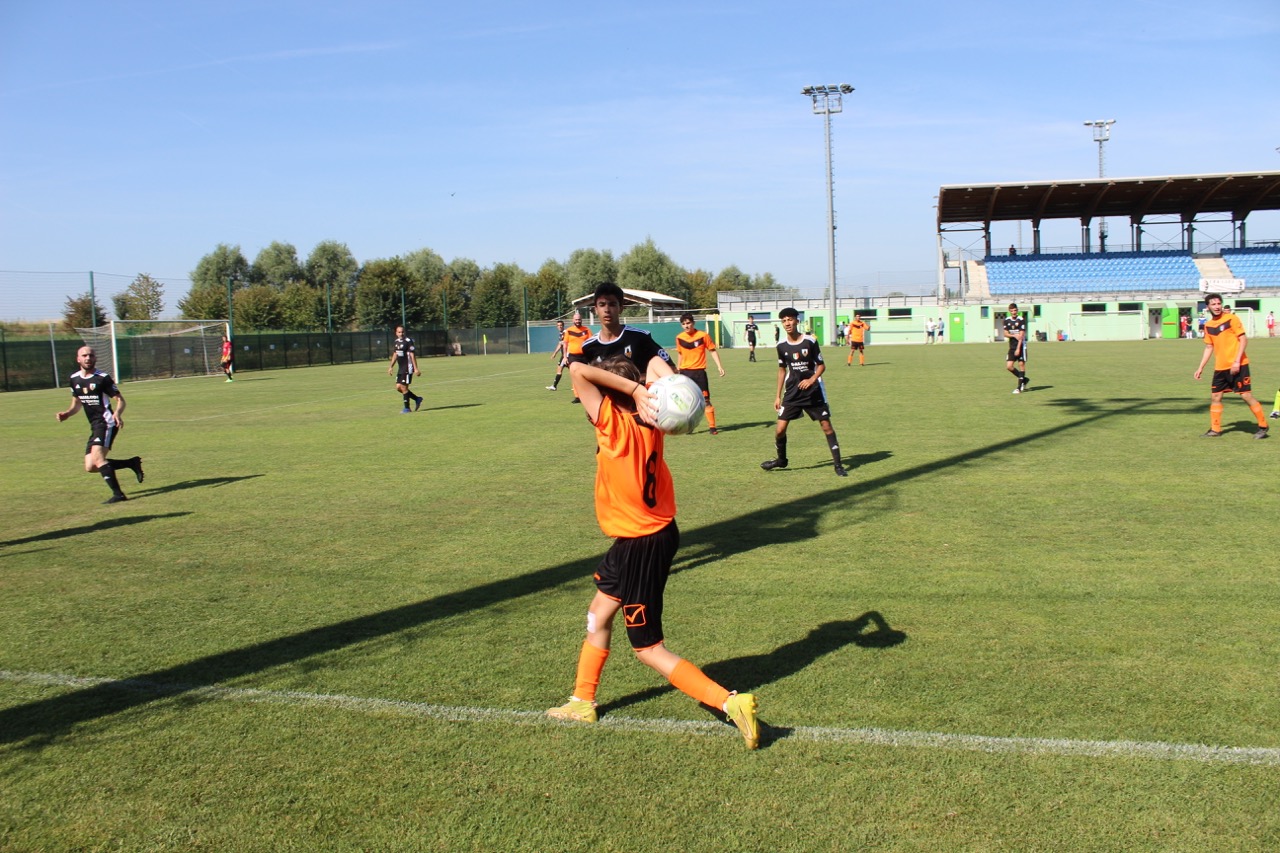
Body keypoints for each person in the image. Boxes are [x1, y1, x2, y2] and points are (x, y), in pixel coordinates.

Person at [545, 355, 760, 749]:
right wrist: (653, 387)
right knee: (598, 614)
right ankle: (582, 701)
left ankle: (729, 702)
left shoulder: (612, 421)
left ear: (609, 393)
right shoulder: (653, 418)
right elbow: (653, 362)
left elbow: (576, 369)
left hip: (641, 544)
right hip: (646, 535)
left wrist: (632, 387)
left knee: (647, 648)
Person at [762, 308, 847, 477]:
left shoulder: (810, 341)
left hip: (812, 392)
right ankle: (781, 460)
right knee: (779, 430)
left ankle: (838, 465)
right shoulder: (781, 346)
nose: (787, 323)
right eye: (784, 320)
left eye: (790, 319)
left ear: (797, 321)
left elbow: (821, 365)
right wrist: (777, 396)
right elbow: (781, 370)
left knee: (826, 426)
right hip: (792, 392)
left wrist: (812, 379)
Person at [55, 346, 144, 504]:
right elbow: (77, 403)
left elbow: (120, 400)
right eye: (84, 355)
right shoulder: (74, 379)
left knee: (98, 458)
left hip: (107, 422)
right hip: (95, 425)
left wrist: (117, 413)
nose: (88, 358)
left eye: (91, 355)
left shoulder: (102, 378)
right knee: (91, 466)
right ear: (78, 359)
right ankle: (131, 463)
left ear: (95, 358)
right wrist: (67, 413)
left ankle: (118, 495)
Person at [1193, 293, 1269, 439]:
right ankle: (1215, 429)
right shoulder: (1208, 325)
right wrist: (1200, 367)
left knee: (1246, 395)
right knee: (1215, 397)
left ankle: (1263, 426)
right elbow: (1209, 347)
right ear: (1208, 307)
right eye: (1213, 304)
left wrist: (1237, 361)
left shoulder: (1231, 319)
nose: (1217, 306)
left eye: (1218, 303)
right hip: (1220, 367)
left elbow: (1243, 340)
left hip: (1238, 365)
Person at [571, 283, 675, 383]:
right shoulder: (588, 346)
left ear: (620, 308)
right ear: (596, 309)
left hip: (640, 395)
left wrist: (632, 381)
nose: (607, 310)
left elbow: (672, 369)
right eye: (602, 305)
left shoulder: (639, 337)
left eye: (612, 304)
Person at [675, 312, 725, 435]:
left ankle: (712, 427)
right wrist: (677, 368)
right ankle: (689, 426)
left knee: (706, 400)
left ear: (693, 323)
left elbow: (712, 351)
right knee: (686, 402)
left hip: (699, 373)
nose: (686, 326)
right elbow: (680, 354)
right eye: (684, 324)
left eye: (688, 323)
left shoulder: (703, 336)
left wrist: (719, 366)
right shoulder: (679, 338)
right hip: (685, 374)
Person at [550, 312, 593, 402]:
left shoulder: (587, 330)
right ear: (573, 320)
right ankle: (577, 397)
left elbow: (591, 342)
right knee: (575, 376)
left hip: (584, 356)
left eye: (579, 319)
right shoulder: (569, 331)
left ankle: (586, 395)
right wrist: (565, 357)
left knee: (585, 376)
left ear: (581, 320)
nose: (577, 321)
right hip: (573, 356)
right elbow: (565, 345)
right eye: (576, 319)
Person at [387, 325, 423, 413]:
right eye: (399, 332)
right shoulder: (396, 342)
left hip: (408, 367)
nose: (401, 333)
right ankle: (417, 399)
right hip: (401, 368)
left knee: (403, 387)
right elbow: (395, 354)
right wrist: (391, 366)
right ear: (396, 333)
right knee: (398, 387)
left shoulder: (408, 341)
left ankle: (407, 408)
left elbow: (412, 355)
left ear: (405, 332)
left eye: (402, 332)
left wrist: (416, 368)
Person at [1004, 303, 1029, 394]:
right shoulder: (1007, 320)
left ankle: (1019, 388)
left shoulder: (1021, 320)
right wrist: (1013, 335)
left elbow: (1021, 336)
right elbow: (1005, 333)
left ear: (1017, 310)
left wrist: (1018, 348)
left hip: (1021, 346)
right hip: (1012, 347)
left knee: (1021, 365)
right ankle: (1024, 380)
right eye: (1012, 311)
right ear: (1009, 311)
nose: (1014, 312)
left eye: (1015, 310)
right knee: (1009, 366)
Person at [545, 320, 567, 390]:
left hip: (566, 356)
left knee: (560, 370)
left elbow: (563, 344)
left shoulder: (565, 333)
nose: (559, 327)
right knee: (570, 371)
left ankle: (554, 386)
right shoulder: (561, 333)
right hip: (564, 355)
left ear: (563, 326)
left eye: (561, 325)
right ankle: (554, 386)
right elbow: (560, 344)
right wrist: (555, 353)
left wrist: (555, 353)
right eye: (558, 325)